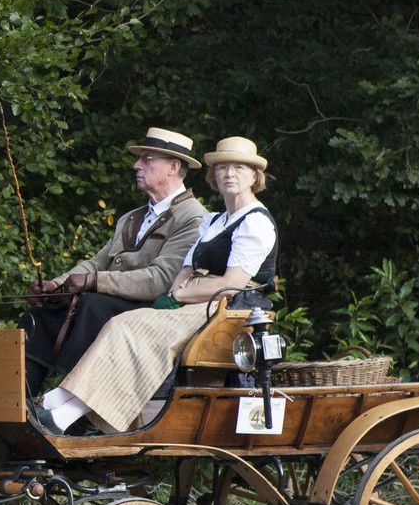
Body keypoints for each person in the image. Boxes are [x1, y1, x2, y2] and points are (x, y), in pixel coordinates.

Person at [32, 136, 277, 436]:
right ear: (213, 176)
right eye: (223, 167)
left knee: (138, 333)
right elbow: (186, 267)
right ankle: (55, 401)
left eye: (239, 168)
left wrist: (178, 294)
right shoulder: (214, 221)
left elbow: (230, 285)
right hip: (199, 299)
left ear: (254, 177)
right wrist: (176, 292)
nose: (229, 174)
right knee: (122, 323)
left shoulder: (255, 222)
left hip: (229, 310)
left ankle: (64, 414)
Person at [22, 128, 208, 398]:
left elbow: (161, 280)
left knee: (90, 305)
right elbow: (96, 263)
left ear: (173, 166)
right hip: (112, 301)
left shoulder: (193, 218)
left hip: (152, 309)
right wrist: (55, 286)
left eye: (146, 159)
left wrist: (95, 282)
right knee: (40, 312)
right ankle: (21, 400)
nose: (136, 165)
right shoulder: (131, 217)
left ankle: (72, 403)